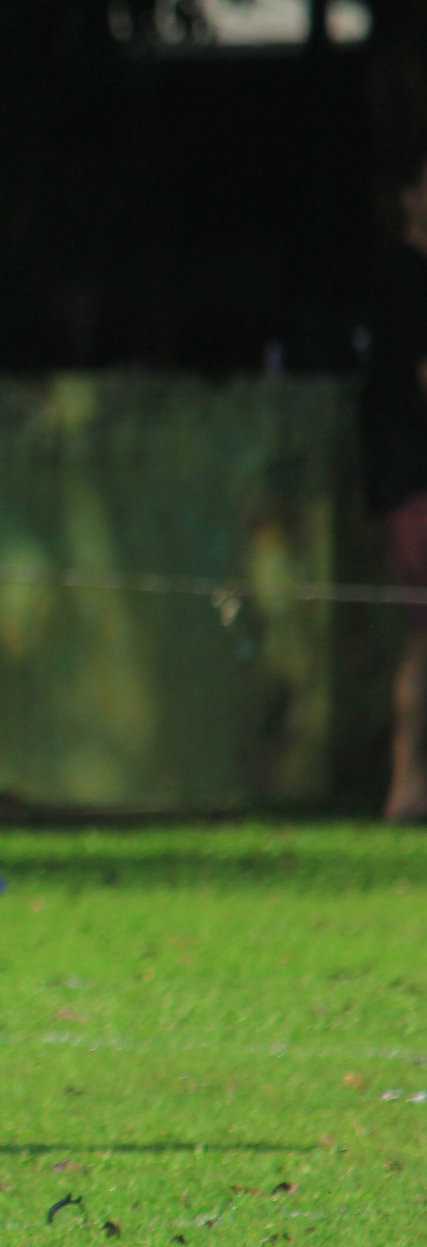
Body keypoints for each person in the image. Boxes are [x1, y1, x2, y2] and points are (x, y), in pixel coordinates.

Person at [360, 145, 427, 823]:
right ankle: (406, 785)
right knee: (422, 634)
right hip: (413, 480)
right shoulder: (404, 279)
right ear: (408, 198)